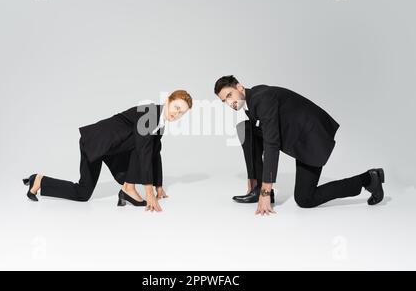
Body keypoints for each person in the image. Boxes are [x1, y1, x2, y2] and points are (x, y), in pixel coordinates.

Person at [214, 75, 385, 215]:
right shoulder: (252, 103)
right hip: (300, 137)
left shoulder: (262, 99)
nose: (229, 103)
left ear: (239, 87)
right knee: (246, 129)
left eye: (229, 95)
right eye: (224, 101)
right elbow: (261, 142)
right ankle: (256, 188)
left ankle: (369, 179)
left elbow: (271, 143)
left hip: (312, 139)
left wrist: (266, 191)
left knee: (305, 199)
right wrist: (255, 183)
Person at [22, 90, 193, 212]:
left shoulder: (159, 124)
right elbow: (144, 152)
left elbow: (155, 153)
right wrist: (149, 193)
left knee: (148, 146)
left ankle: (128, 189)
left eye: (182, 113)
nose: (177, 114)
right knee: (83, 193)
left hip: (112, 149)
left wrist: (159, 186)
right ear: (168, 101)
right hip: (96, 142)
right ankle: (39, 180)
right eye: (177, 108)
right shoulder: (150, 113)